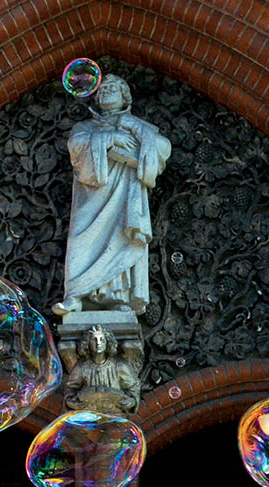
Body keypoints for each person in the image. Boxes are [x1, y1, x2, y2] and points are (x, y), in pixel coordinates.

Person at [53, 74, 171, 316]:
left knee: (120, 239)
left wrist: (136, 129)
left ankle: (119, 298)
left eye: (112, 88)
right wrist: (109, 138)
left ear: (124, 96)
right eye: (103, 89)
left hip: (125, 198)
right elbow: (76, 146)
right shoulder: (86, 127)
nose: (106, 92)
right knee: (82, 240)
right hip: (91, 197)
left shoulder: (137, 127)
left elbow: (162, 149)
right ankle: (75, 295)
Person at [64, 326, 140, 413]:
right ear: (87, 343)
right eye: (94, 340)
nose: (98, 343)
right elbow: (70, 387)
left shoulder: (119, 365)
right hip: (88, 414)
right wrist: (70, 401)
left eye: (102, 339)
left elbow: (134, 386)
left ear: (108, 342)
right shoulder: (82, 367)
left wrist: (132, 401)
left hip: (115, 412)